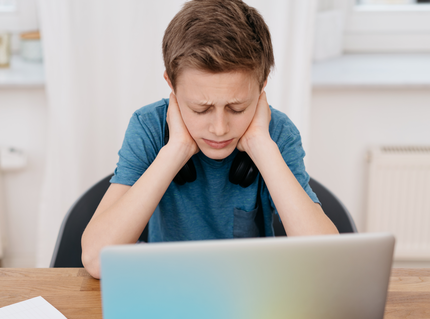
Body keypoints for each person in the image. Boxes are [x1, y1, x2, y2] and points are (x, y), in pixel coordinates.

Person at [81, 0, 338, 279]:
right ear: (172, 85)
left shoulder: (277, 134)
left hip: (251, 292)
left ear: (262, 88)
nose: (219, 128)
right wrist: (176, 149)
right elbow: (96, 260)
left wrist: (262, 147)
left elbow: (327, 263)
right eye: (200, 109)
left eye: (237, 108)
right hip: (169, 287)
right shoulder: (149, 127)